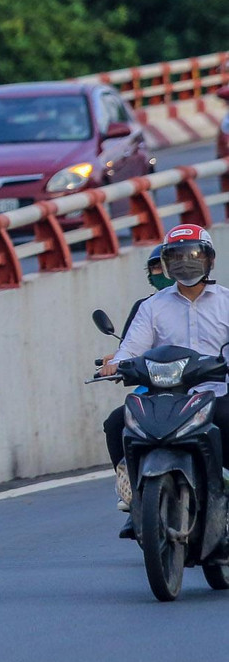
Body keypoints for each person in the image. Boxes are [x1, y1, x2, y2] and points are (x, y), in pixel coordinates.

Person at [101, 225, 229, 537]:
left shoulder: (227, 301)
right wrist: (116, 365)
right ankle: (136, 498)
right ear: (167, 263)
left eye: (194, 256)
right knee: (117, 422)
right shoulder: (152, 306)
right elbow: (131, 348)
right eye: (177, 257)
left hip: (217, 394)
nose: (186, 263)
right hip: (166, 397)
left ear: (210, 260)